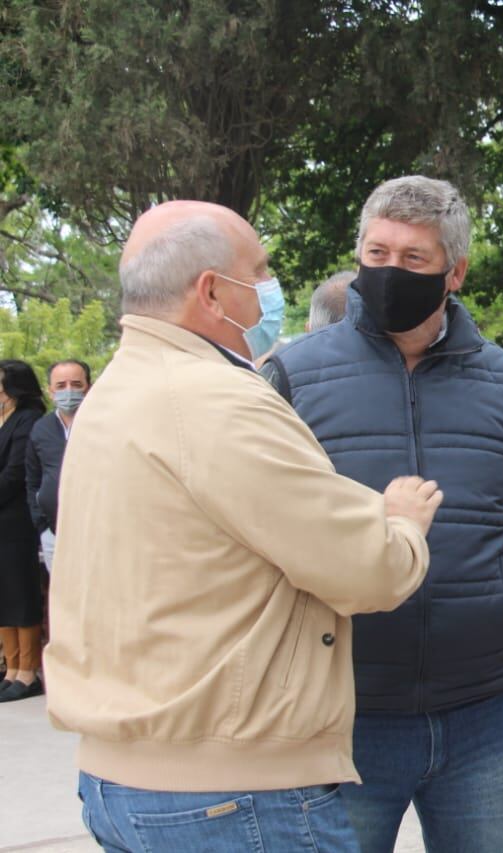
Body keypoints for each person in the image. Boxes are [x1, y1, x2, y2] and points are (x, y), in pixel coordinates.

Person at [43, 200, 441, 852]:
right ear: (210, 291)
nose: (270, 292)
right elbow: (365, 569)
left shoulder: (115, 391)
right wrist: (400, 523)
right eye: (258, 271)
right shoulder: (216, 399)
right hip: (234, 792)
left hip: (125, 776)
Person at [262, 175, 503, 853]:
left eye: (413, 259)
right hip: (344, 714)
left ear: (456, 271)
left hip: (481, 712)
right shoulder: (292, 377)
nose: (390, 271)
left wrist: (492, 599)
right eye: (377, 252)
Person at [0, 360, 49, 702]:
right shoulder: (3, 418)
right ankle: (11, 667)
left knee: (20, 593)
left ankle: (28, 672)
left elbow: (14, 473)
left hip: (15, 520)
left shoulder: (27, 419)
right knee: (3, 595)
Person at [25, 359, 92, 571]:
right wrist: (41, 523)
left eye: (76, 384)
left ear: (88, 387)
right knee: (63, 599)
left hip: (95, 531)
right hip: (53, 532)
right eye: (61, 386)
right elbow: (32, 478)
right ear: (50, 391)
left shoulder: (103, 424)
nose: (69, 391)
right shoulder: (41, 428)